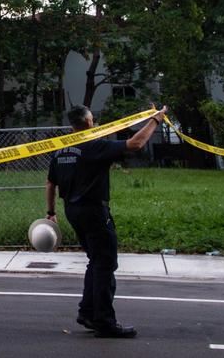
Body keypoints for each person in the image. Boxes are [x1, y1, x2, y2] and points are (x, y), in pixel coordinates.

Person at [45, 104, 167, 339]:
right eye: (94, 120)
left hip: (72, 211)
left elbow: (50, 183)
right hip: (94, 212)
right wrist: (156, 120)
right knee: (106, 264)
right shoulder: (94, 145)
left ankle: (87, 312)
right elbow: (135, 144)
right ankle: (104, 320)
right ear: (89, 122)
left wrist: (50, 212)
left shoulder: (60, 150)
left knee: (95, 260)